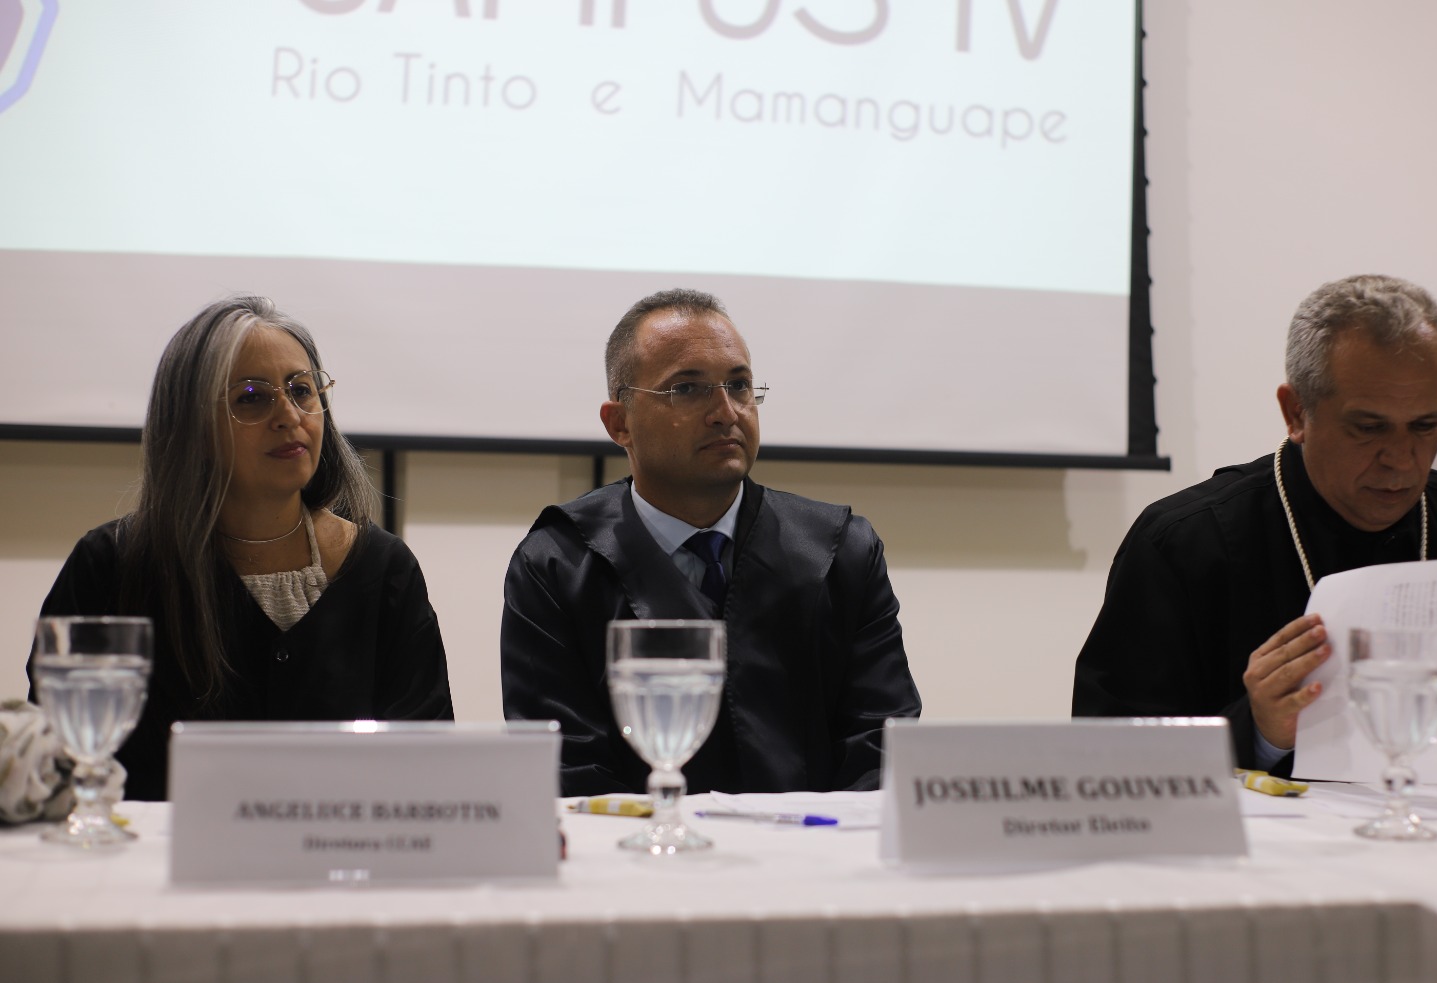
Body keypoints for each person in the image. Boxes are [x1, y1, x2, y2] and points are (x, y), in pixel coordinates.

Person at [1073, 275, 1437, 785]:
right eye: (1368, 428)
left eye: (1425, 425)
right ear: (1296, 412)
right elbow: (1107, 757)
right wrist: (1255, 731)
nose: (1401, 459)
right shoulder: (1184, 544)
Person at [32, 296, 453, 800]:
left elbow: (428, 768)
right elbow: (51, 765)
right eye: (252, 397)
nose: (289, 415)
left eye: (302, 390)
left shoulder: (384, 567)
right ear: (191, 425)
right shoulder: (110, 566)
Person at [502, 288, 920, 796]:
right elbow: (567, 772)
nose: (726, 412)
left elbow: (882, 750)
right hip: (639, 844)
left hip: (816, 842)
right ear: (620, 424)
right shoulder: (557, 564)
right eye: (687, 389)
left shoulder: (841, 552)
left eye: (739, 385)